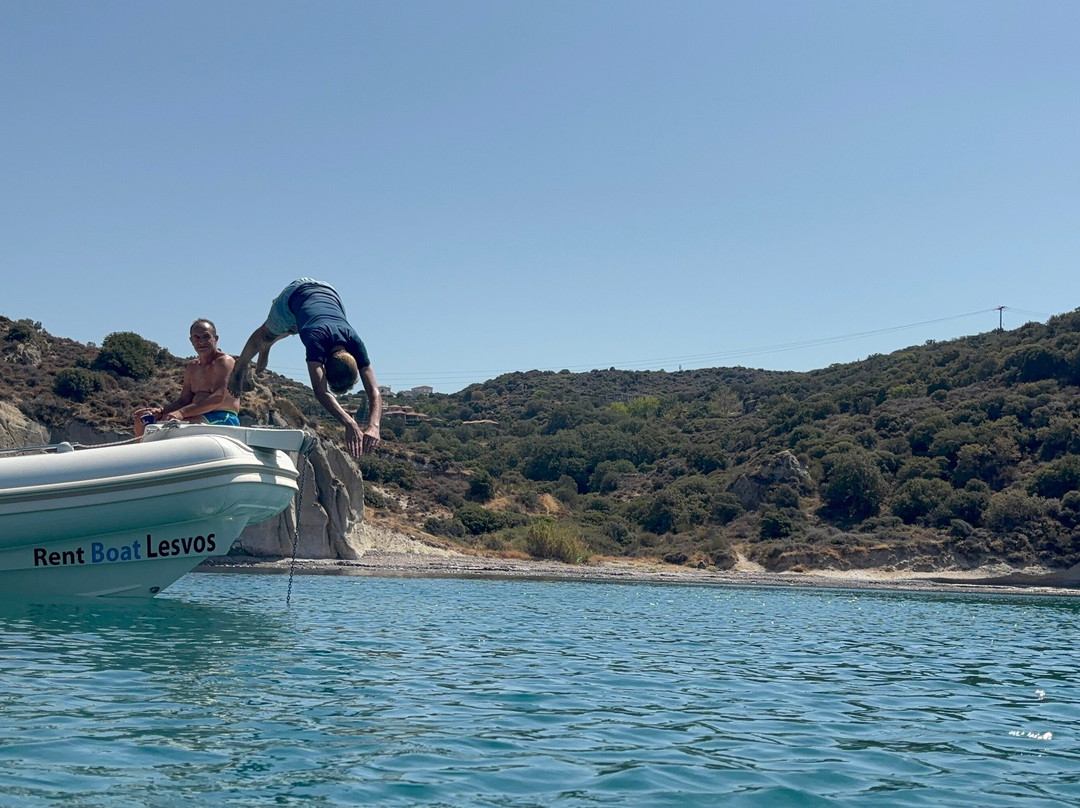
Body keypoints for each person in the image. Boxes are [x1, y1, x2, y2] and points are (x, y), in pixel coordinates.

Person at [227, 278, 381, 458]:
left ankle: (269, 345)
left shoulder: (355, 342)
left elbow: (374, 392)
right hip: (295, 293)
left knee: (296, 325)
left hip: (330, 292)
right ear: (323, 367)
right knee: (266, 333)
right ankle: (241, 365)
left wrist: (374, 425)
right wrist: (349, 423)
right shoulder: (316, 341)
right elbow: (320, 391)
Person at [133, 319, 242, 437]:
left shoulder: (224, 362)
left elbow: (220, 397)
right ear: (191, 340)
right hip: (195, 415)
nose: (202, 342)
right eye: (197, 338)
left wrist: (181, 413)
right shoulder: (192, 367)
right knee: (142, 420)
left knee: (171, 428)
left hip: (222, 416)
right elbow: (184, 400)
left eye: (206, 337)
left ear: (215, 338)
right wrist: (161, 411)